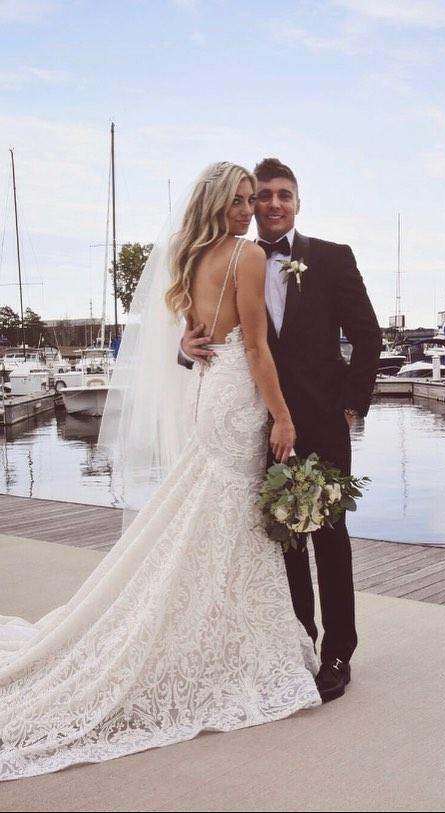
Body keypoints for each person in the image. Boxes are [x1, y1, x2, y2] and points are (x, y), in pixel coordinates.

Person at [0, 162, 321, 782]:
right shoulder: (247, 256)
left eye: (252, 200)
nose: (250, 210)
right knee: (226, 513)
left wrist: (200, 352)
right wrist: (281, 416)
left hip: (210, 391)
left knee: (216, 512)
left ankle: (224, 633)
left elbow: (196, 337)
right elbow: (254, 347)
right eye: (239, 201)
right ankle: (229, 646)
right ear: (216, 203)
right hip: (238, 396)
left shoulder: (192, 257)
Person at [182, 158, 381, 703]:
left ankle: (339, 651)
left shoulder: (333, 258)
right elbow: (208, 335)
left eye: (282, 195)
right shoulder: (229, 257)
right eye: (261, 195)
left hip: (321, 418)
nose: (270, 204)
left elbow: (369, 337)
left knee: (328, 536)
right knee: (279, 540)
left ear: (297, 201)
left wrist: (351, 407)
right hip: (253, 422)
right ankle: (298, 644)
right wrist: (184, 347)